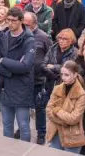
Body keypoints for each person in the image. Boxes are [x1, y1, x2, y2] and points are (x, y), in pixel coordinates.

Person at [0, 7, 36, 142]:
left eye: (13, 21)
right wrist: (10, 71)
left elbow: (25, 66)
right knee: (7, 124)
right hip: (4, 86)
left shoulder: (29, 40)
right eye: (8, 20)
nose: (10, 23)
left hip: (21, 88)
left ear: (21, 21)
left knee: (23, 125)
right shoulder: (3, 36)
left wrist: (4, 60)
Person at [23, 11, 53, 145]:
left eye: (27, 25)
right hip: (23, 78)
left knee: (40, 108)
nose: (24, 27)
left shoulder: (43, 37)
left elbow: (50, 54)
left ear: (34, 24)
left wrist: (43, 68)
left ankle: (41, 133)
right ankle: (23, 129)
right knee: (23, 106)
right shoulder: (22, 34)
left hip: (38, 79)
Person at [46, 60, 85, 153]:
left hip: (72, 136)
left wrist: (57, 110)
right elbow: (48, 110)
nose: (63, 77)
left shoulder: (81, 94)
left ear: (75, 74)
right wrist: (64, 120)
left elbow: (74, 118)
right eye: (62, 74)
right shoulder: (57, 88)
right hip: (55, 133)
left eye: (67, 75)